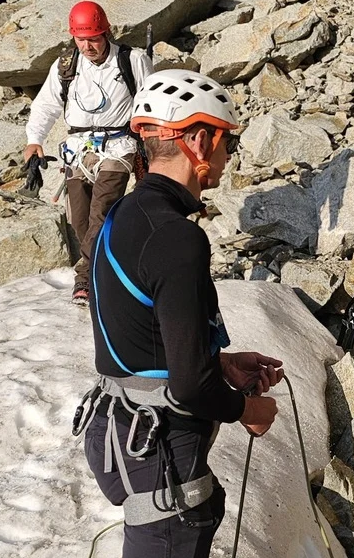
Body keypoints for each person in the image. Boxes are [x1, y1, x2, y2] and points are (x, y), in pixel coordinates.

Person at [73, 69, 282, 558]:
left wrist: (221, 363)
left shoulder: (124, 215)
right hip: (162, 448)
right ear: (198, 140)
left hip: (128, 428)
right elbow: (190, 386)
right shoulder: (177, 236)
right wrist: (248, 410)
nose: (229, 156)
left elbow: (135, 326)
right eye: (226, 141)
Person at [23, 0, 154, 305]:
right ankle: (108, 266)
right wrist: (34, 140)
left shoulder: (132, 61)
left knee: (103, 210)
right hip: (77, 151)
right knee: (80, 220)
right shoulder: (66, 66)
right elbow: (45, 106)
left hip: (119, 146)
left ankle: (85, 279)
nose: (87, 46)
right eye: (81, 39)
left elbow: (151, 102)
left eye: (93, 39)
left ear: (105, 32)